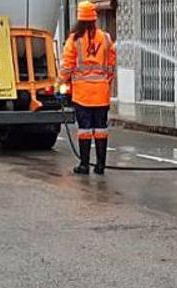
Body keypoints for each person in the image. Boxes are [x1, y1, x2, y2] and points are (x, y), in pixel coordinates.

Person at [60, 1, 117, 175]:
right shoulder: (106, 38)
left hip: (82, 94)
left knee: (84, 129)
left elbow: (67, 66)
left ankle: (84, 165)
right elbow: (111, 64)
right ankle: (100, 165)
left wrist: (61, 83)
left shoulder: (74, 40)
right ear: (94, 18)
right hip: (101, 93)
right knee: (101, 129)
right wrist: (106, 81)